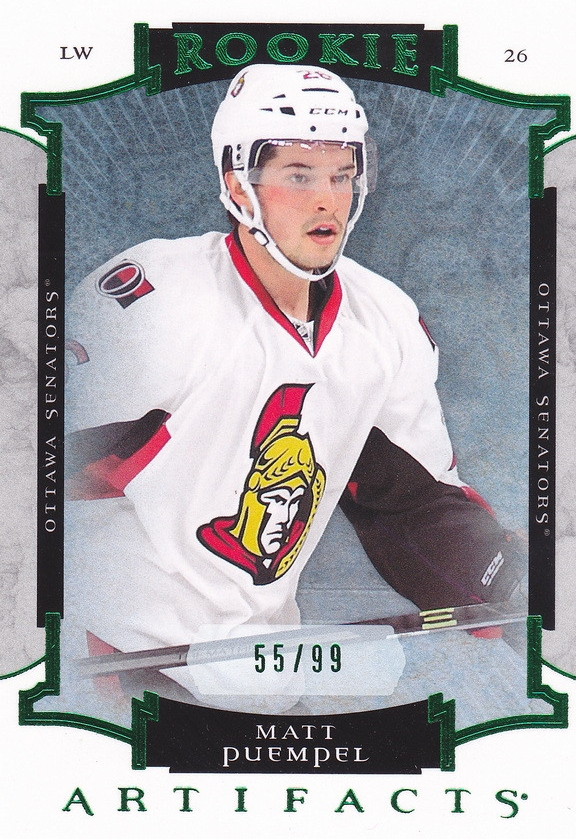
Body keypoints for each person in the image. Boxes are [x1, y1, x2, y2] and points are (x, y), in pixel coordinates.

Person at [65, 64, 524, 701]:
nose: (326, 200)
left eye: (341, 176)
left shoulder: (383, 320)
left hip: (261, 665)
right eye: (299, 175)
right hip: (116, 663)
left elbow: (411, 504)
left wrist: (507, 581)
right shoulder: (156, 303)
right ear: (238, 184)